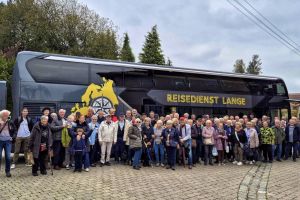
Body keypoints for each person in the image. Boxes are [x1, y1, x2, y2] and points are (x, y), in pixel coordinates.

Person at [0, 110, 16, 177]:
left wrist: (13, 137)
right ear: (1, 115)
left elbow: (15, 130)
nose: (6, 117)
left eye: (7, 115)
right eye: (5, 115)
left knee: (8, 157)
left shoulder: (10, 122)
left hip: (8, 141)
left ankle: (8, 171)